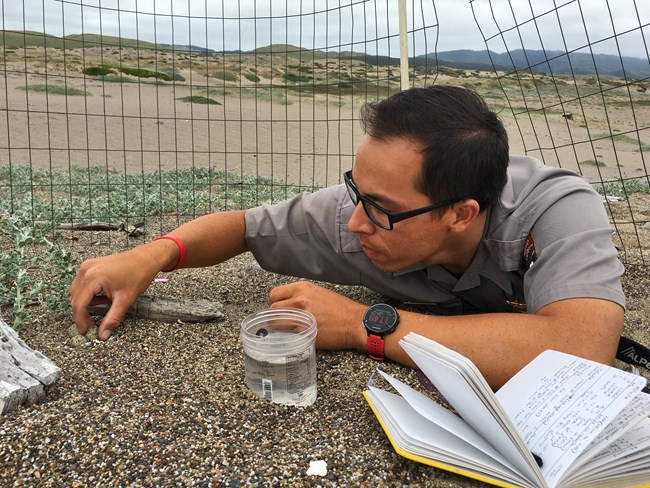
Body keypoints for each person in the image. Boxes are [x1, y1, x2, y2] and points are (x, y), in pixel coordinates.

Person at [70, 85, 625, 389]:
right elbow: (242, 226)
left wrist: (366, 326)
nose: (356, 223)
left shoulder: (557, 209)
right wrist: (152, 253)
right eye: (356, 191)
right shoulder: (354, 214)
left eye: (381, 209)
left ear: (461, 214)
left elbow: (582, 348)